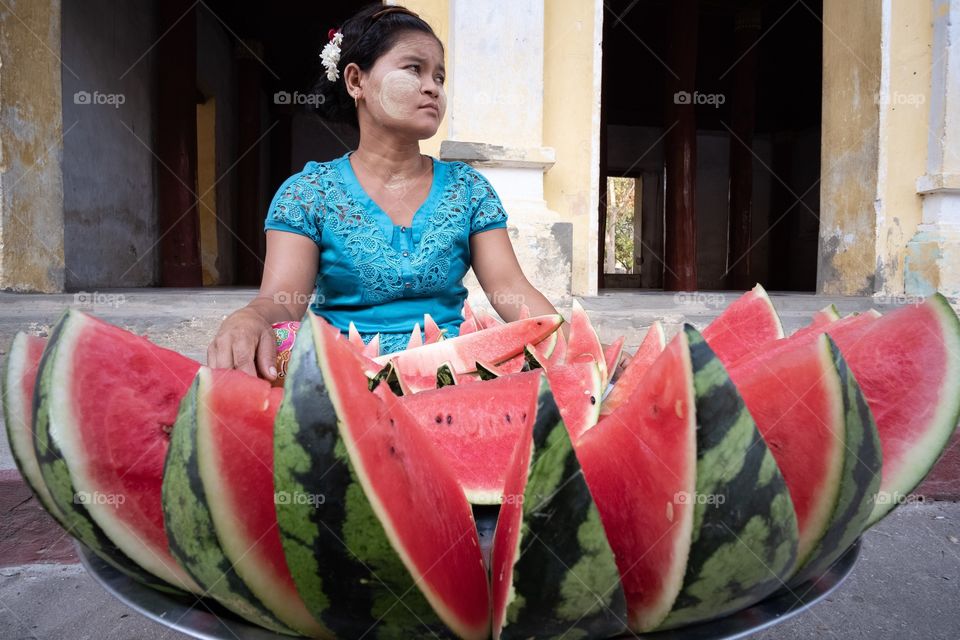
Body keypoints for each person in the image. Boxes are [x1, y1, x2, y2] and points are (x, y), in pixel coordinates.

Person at [207, 3, 629, 384]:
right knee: (275, 352)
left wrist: (579, 346)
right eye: (414, 69)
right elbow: (282, 302)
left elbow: (511, 289)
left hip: (455, 372)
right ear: (356, 80)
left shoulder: (469, 189)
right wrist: (250, 318)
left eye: (439, 76)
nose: (433, 87)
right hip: (345, 376)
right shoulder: (308, 194)